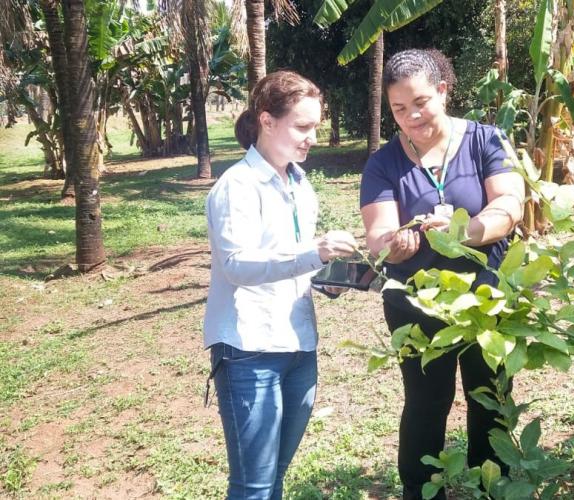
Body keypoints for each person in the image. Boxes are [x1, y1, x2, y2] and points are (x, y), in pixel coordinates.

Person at [359, 49, 525, 499]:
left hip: (487, 300)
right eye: (399, 109)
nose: (411, 116)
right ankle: (420, 490)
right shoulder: (383, 163)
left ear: (443, 91)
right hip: (416, 304)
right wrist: (394, 244)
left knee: (490, 398)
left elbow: (510, 205)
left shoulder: (486, 140)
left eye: (421, 102)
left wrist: (461, 233)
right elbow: (377, 235)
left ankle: (493, 487)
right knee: (425, 402)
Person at [203, 70, 358, 500]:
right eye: (302, 127)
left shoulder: (300, 184)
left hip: (299, 346)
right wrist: (314, 252)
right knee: (253, 485)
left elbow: (295, 261)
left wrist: (330, 279)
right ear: (267, 121)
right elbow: (236, 264)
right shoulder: (237, 186)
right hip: (249, 349)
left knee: (275, 476)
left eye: (316, 127)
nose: (312, 138)